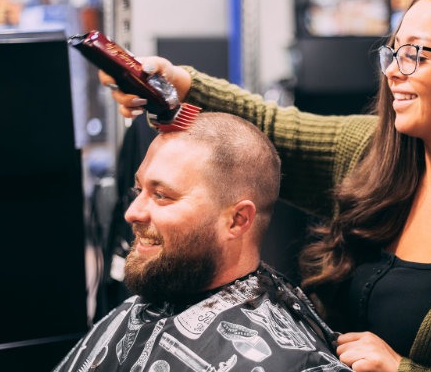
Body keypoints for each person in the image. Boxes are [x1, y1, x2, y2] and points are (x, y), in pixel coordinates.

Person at [102, 0, 431, 370]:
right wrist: (179, 83)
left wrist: (401, 368)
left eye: (417, 54)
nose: (393, 69)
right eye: (395, 50)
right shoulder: (377, 157)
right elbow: (275, 129)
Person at [54, 112, 352, 371]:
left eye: (161, 195)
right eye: (138, 190)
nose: (132, 213)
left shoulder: (294, 361)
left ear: (237, 220)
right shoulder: (136, 309)